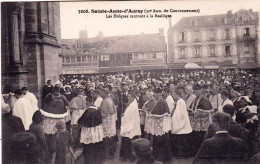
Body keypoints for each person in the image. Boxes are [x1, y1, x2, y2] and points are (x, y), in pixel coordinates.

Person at [41, 87, 68, 161]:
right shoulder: (62, 102)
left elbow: (44, 113)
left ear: (53, 95)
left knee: (51, 141)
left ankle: (51, 156)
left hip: (50, 126)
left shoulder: (50, 103)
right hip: (59, 125)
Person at [144, 90, 172, 162]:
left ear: (158, 94)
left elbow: (158, 114)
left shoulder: (161, 102)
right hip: (161, 126)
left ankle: (161, 157)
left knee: (160, 142)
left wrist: (149, 114)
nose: (154, 96)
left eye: (155, 94)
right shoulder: (160, 101)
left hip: (160, 127)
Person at [78, 98, 105, 164]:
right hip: (97, 131)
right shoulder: (97, 109)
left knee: (88, 147)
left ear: (88, 102)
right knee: (97, 146)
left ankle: (89, 161)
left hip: (88, 131)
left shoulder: (88, 110)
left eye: (86, 102)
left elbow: (81, 121)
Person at [189, 84, 213, 156]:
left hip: (202, 123)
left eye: (196, 91)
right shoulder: (195, 98)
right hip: (196, 123)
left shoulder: (204, 99)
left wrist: (194, 113)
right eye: (194, 92)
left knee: (200, 138)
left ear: (200, 91)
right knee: (195, 138)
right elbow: (191, 108)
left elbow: (205, 111)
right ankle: (195, 152)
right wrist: (191, 112)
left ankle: (201, 153)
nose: (195, 93)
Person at [120, 90, 141, 162]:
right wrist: (124, 115)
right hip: (130, 124)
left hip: (131, 126)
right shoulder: (131, 103)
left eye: (129, 96)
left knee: (129, 142)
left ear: (132, 96)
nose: (128, 97)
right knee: (127, 142)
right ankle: (126, 156)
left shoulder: (133, 105)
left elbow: (130, 117)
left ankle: (129, 157)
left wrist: (124, 117)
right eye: (127, 96)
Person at [171, 90, 192, 158]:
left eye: (174, 94)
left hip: (182, 124)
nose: (173, 96)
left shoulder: (180, 102)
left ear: (177, 94)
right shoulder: (179, 101)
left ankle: (182, 155)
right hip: (182, 123)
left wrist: (174, 118)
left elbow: (180, 114)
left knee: (181, 141)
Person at [100, 88, 117, 159]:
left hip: (107, 122)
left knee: (107, 139)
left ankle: (108, 154)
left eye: (102, 93)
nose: (101, 94)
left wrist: (98, 113)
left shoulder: (106, 101)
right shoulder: (109, 100)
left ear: (105, 93)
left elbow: (105, 113)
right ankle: (109, 154)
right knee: (110, 138)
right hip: (110, 122)